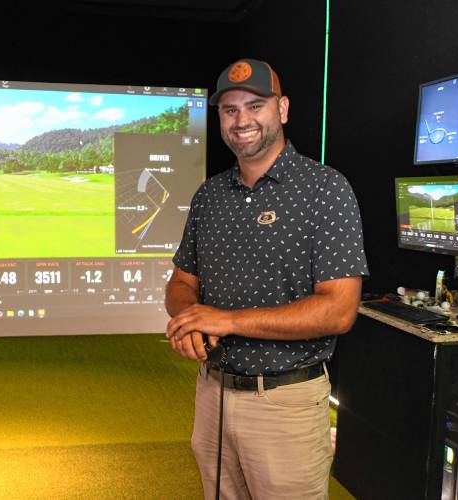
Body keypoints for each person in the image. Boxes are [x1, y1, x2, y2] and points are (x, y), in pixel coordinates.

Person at [165, 58, 369, 499]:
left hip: (285, 403)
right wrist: (189, 319)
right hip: (213, 396)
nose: (242, 120)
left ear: (283, 109)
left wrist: (227, 320)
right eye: (230, 109)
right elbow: (181, 283)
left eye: (255, 105)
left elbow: (338, 310)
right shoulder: (210, 195)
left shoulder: (326, 189)